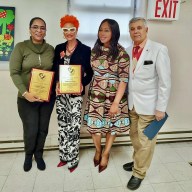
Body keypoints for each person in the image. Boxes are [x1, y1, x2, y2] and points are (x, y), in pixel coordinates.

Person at [123, 17, 171, 190]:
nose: (135, 31)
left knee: (146, 141)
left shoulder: (159, 49)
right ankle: (138, 161)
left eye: (139, 28)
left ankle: (139, 172)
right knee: (135, 137)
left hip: (151, 107)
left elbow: (165, 82)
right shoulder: (127, 50)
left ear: (146, 30)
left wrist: (161, 108)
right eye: (132, 29)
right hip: (132, 104)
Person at [9, 17, 55, 172]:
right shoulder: (20, 47)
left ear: (45, 30)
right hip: (26, 98)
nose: (39, 30)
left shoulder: (50, 49)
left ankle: (39, 154)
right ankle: (28, 155)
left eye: (42, 27)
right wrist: (25, 92)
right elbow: (14, 73)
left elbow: (54, 72)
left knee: (43, 128)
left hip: (46, 98)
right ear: (30, 29)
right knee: (31, 129)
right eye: (35, 27)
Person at [84, 19, 130, 173]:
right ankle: (98, 149)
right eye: (100, 29)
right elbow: (89, 72)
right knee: (95, 128)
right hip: (96, 95)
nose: (102, 33)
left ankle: (106, 153)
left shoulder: (122, 53)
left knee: (112, 127)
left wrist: (116, 103)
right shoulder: (95, 50)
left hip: (114, 96)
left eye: (107, 30)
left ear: (114, 33)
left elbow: (124, 79)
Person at [53, 15, 93, 173]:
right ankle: (63, 156)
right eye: (66, 29)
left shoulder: (85, 50)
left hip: (76, 94)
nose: (69, 32)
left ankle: (73, 158)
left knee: (74, 126)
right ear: (62, 30)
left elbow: (89, 72)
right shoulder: (58, 48)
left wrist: (82, 85)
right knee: (63, 125)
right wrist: (56, 81)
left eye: (72, 29)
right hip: (61, 94)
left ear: (77, 30)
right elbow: (54, 69)